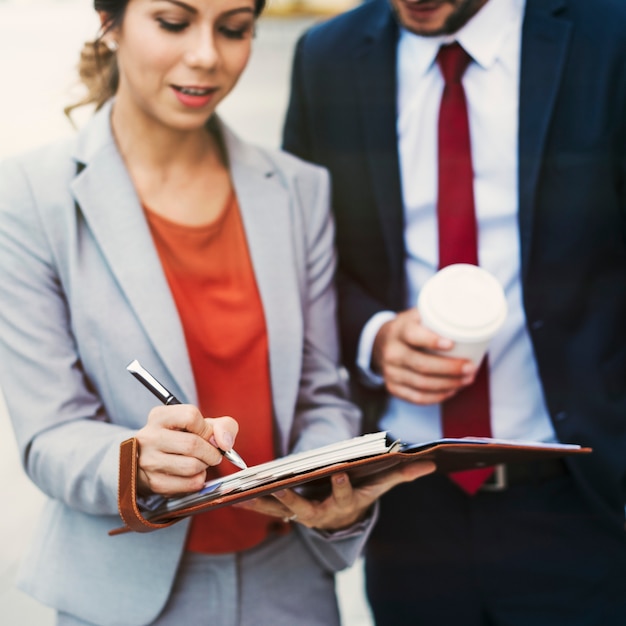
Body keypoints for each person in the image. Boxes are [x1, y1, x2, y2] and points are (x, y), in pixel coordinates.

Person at [0, 1, 435, 624]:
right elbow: (49, 434)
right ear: (110, 20)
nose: (207, 54)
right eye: (174, 23)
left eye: (233, 29)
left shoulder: (296, 189)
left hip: (290, 585)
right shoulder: (27, 198)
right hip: (125, 594)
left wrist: (330, 481)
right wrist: (136, 463)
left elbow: (321, 392)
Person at [282, 0, 626, 624]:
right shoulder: (326, 58)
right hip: (407, 508)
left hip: (585, 500)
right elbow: (307, 258)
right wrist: (374, 337)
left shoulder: (611, 35)